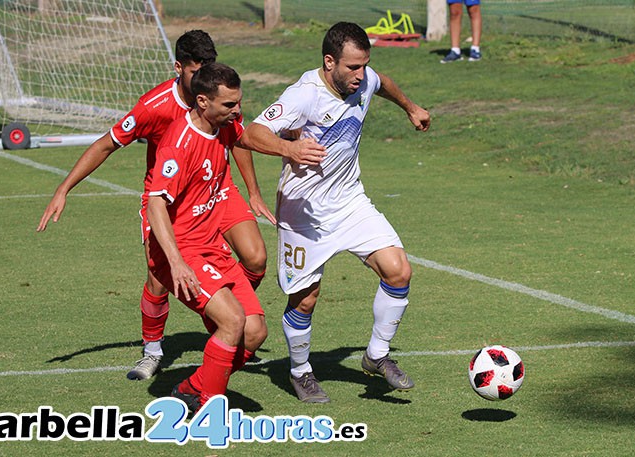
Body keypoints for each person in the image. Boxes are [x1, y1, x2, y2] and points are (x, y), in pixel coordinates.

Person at [36, 30, 273, 381]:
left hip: (216, 188)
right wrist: (64, 188)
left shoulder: (219, 94)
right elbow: (106, 144)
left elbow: (236, 136)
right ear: (179, 67)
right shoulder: (154, 107)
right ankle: (152, 350)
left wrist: (253, 191)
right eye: (196, 71)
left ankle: (225, 318)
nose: (204, 78)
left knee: (256, 257)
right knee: (160, 279)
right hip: (170, 200)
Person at [239, 22, 431, 403]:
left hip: (349, 201)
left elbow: (383, 82)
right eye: (352, 68)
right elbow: (250, 133)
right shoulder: (303, 95)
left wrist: (411, 107)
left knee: (399, 270)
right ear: (329, 62)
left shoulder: (363, 79)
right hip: (303, 212)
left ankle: (377, 356)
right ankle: (299, 371)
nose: (362, 76)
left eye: (364, 66)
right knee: (305, 299)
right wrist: (289, 149)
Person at [147, 62, 266, 411]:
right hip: (181, 252)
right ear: (202, 101)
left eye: (238, 102)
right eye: (229, 105)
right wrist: (177, 263)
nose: (237, 110)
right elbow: (155, 206)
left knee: (255, 332)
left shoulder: (221, 128)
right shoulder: (179, 144)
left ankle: (192, 385)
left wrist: (290, 150)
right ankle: (210, 407)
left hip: (212, 247)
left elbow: (252, 135)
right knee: (232, 320)